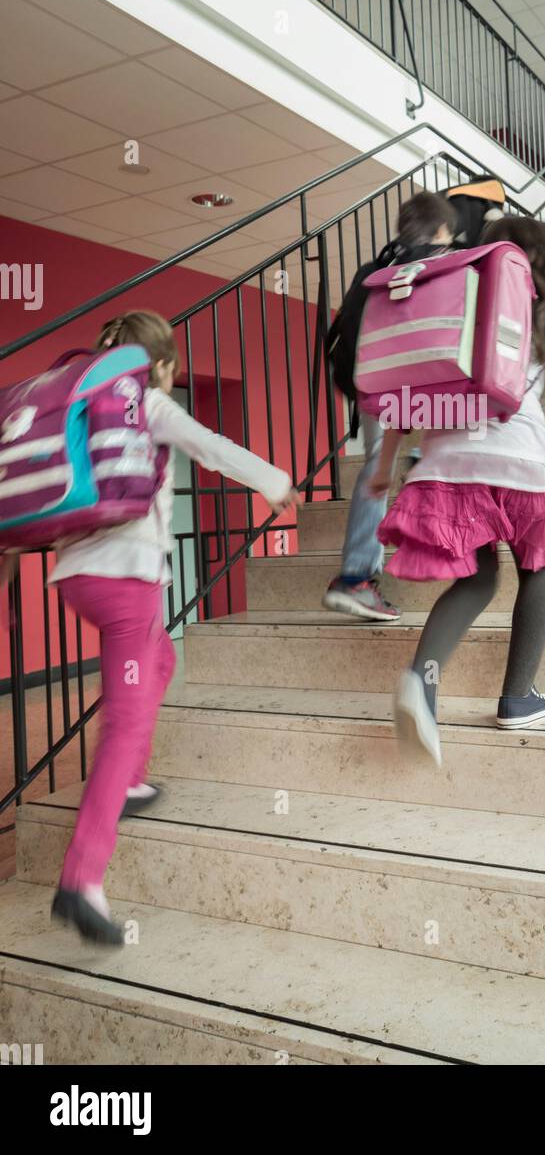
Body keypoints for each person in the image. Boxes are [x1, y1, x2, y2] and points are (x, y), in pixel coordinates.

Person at [48, 310, 295, 946]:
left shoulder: (81, 400)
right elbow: (209, 445)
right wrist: (272, 481)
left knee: (158, 662)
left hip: (78, 577)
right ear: (159, 365)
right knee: (124, 722)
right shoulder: (148, 402)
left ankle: (131, 778)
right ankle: (81, 878)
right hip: (126, 585)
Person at [368, 216, 545, 766]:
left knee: (477, 579)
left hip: (445, 464)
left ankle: (421, 681)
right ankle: (518, 695)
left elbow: (410, 387)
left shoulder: (451, 302)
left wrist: (385, 465)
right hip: (519, 463)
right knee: (540, 567)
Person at [322, 190, 457, 621]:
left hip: (369, 380)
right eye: (449, 233)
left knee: (380, 460)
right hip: (417, 382)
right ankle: (422, 474)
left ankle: (356, 577)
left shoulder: (375, 268)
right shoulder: (441, 265)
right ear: (440, 230)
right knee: (457, 427)